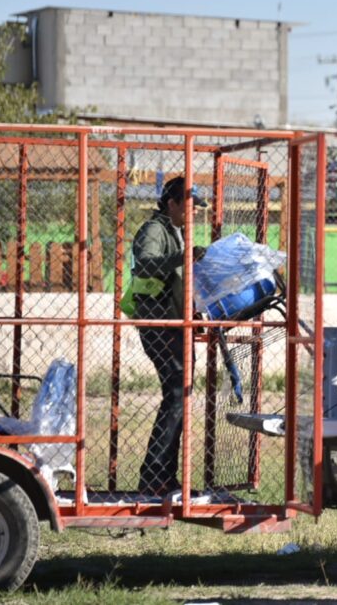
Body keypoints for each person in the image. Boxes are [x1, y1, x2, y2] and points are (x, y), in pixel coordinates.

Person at [129, 176, 207, 496]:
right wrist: (183, 257)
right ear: (172, 203)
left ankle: (163, 477)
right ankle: (153, 476)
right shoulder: (154, 230)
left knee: (179, 396)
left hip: (174, 323)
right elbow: (146, 265)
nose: (195, 212)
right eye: (189, 205)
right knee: (177, 394)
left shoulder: (177, 231)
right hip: (157, 324)